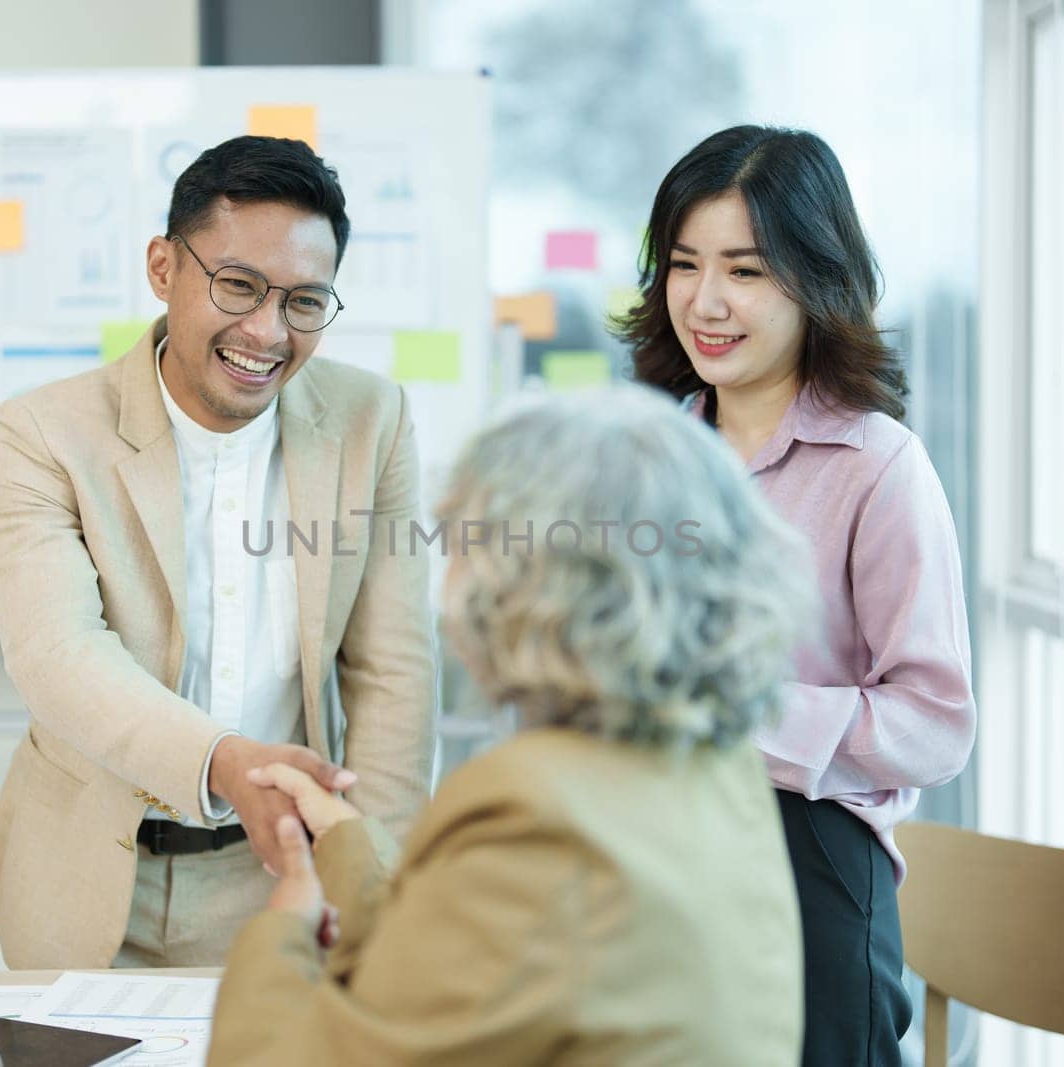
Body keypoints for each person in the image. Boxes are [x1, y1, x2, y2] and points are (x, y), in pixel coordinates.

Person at [207, 385, 814, 1066]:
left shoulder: (536, 810)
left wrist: (283, 930)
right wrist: (344, 840)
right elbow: (468, 965)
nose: (450, 583)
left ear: (527, 582)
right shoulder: (715, 768)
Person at [0, 135, 438, 969]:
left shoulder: (374, 420)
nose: (266, 330)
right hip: (89, 873)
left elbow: (394, 671)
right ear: (163, 267)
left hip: (284, 876)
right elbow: (57, 654)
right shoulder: (44, 431)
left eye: (303, 302)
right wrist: (226, 763)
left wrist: (375, 878)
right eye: (238, 285)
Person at [616, 124, 978, 1065]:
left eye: (746, 270)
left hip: (806, 867)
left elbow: (937, 723)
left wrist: (732, 716)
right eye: (684, 264)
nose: (706, 301)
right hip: (653, 852)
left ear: (814, 278)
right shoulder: (652, 457)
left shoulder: (878, 465)